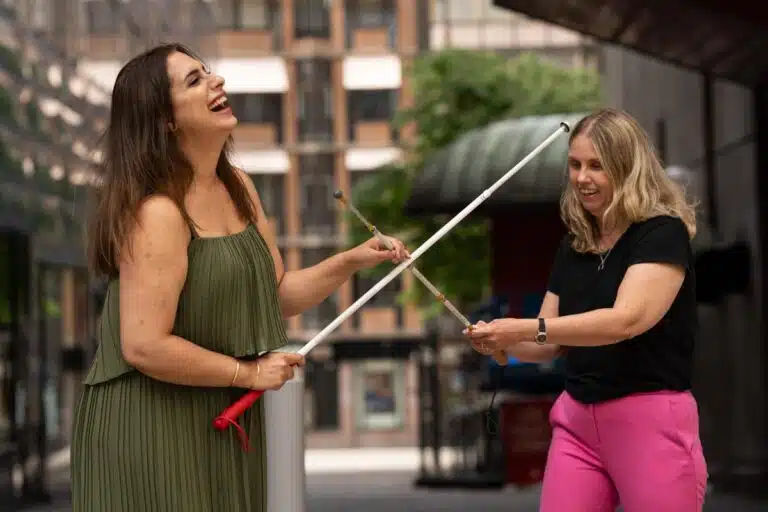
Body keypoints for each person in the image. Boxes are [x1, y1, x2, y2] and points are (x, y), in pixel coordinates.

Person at [70, 42, 409, 512]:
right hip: (151, 423)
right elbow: (144, 345)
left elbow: (275, 297)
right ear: (165, 120)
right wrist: (247, 372)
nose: (217, 81)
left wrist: (351, 260)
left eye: (208, 72)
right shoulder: (157, 212)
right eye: (195, 80)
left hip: (222, 414)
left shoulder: (239, 187)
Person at [465, 108, 708, 511]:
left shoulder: (662, 232)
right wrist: (499, 340)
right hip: (577, 423)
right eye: (575, 165)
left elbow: (626, 320)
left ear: (627, 167)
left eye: (597, 166)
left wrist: (524, 329)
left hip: (648, 420)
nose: (581, 177)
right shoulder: (574, 244)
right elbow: (548, 342)